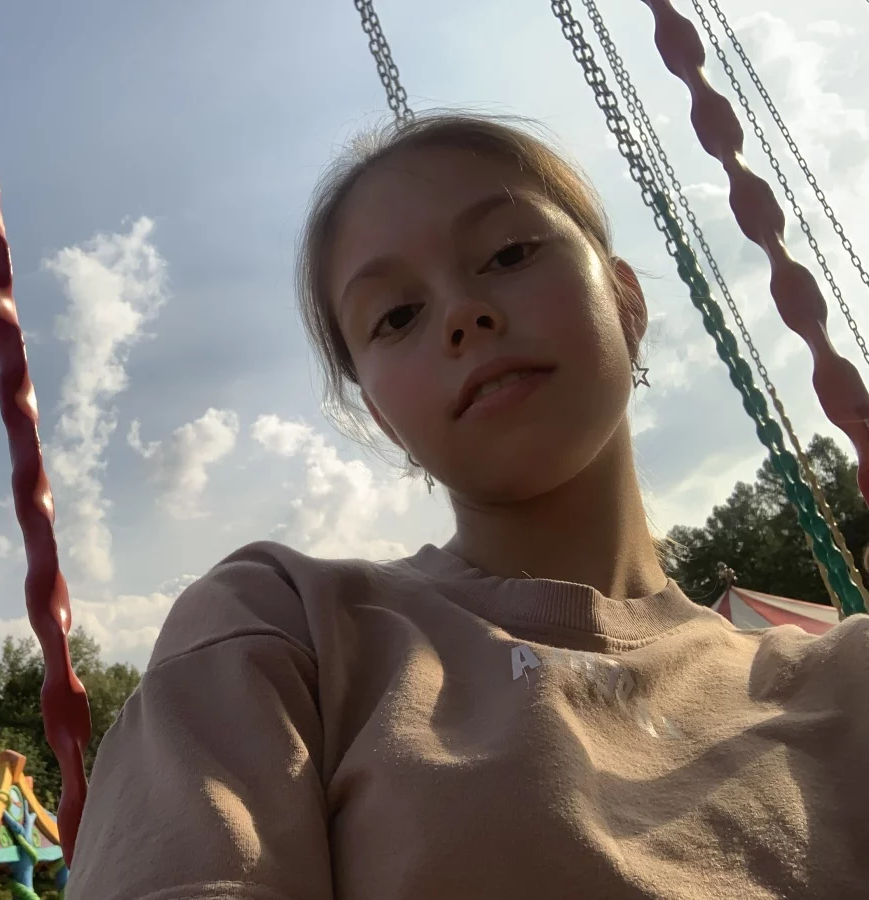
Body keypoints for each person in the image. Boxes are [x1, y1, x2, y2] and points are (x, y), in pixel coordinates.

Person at [64, 112, 869, 900]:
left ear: (625, 301)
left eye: (510, 252)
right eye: (397, 315)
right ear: (385, 420)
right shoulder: (287, 631)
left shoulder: (843, 681)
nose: (461, 313)